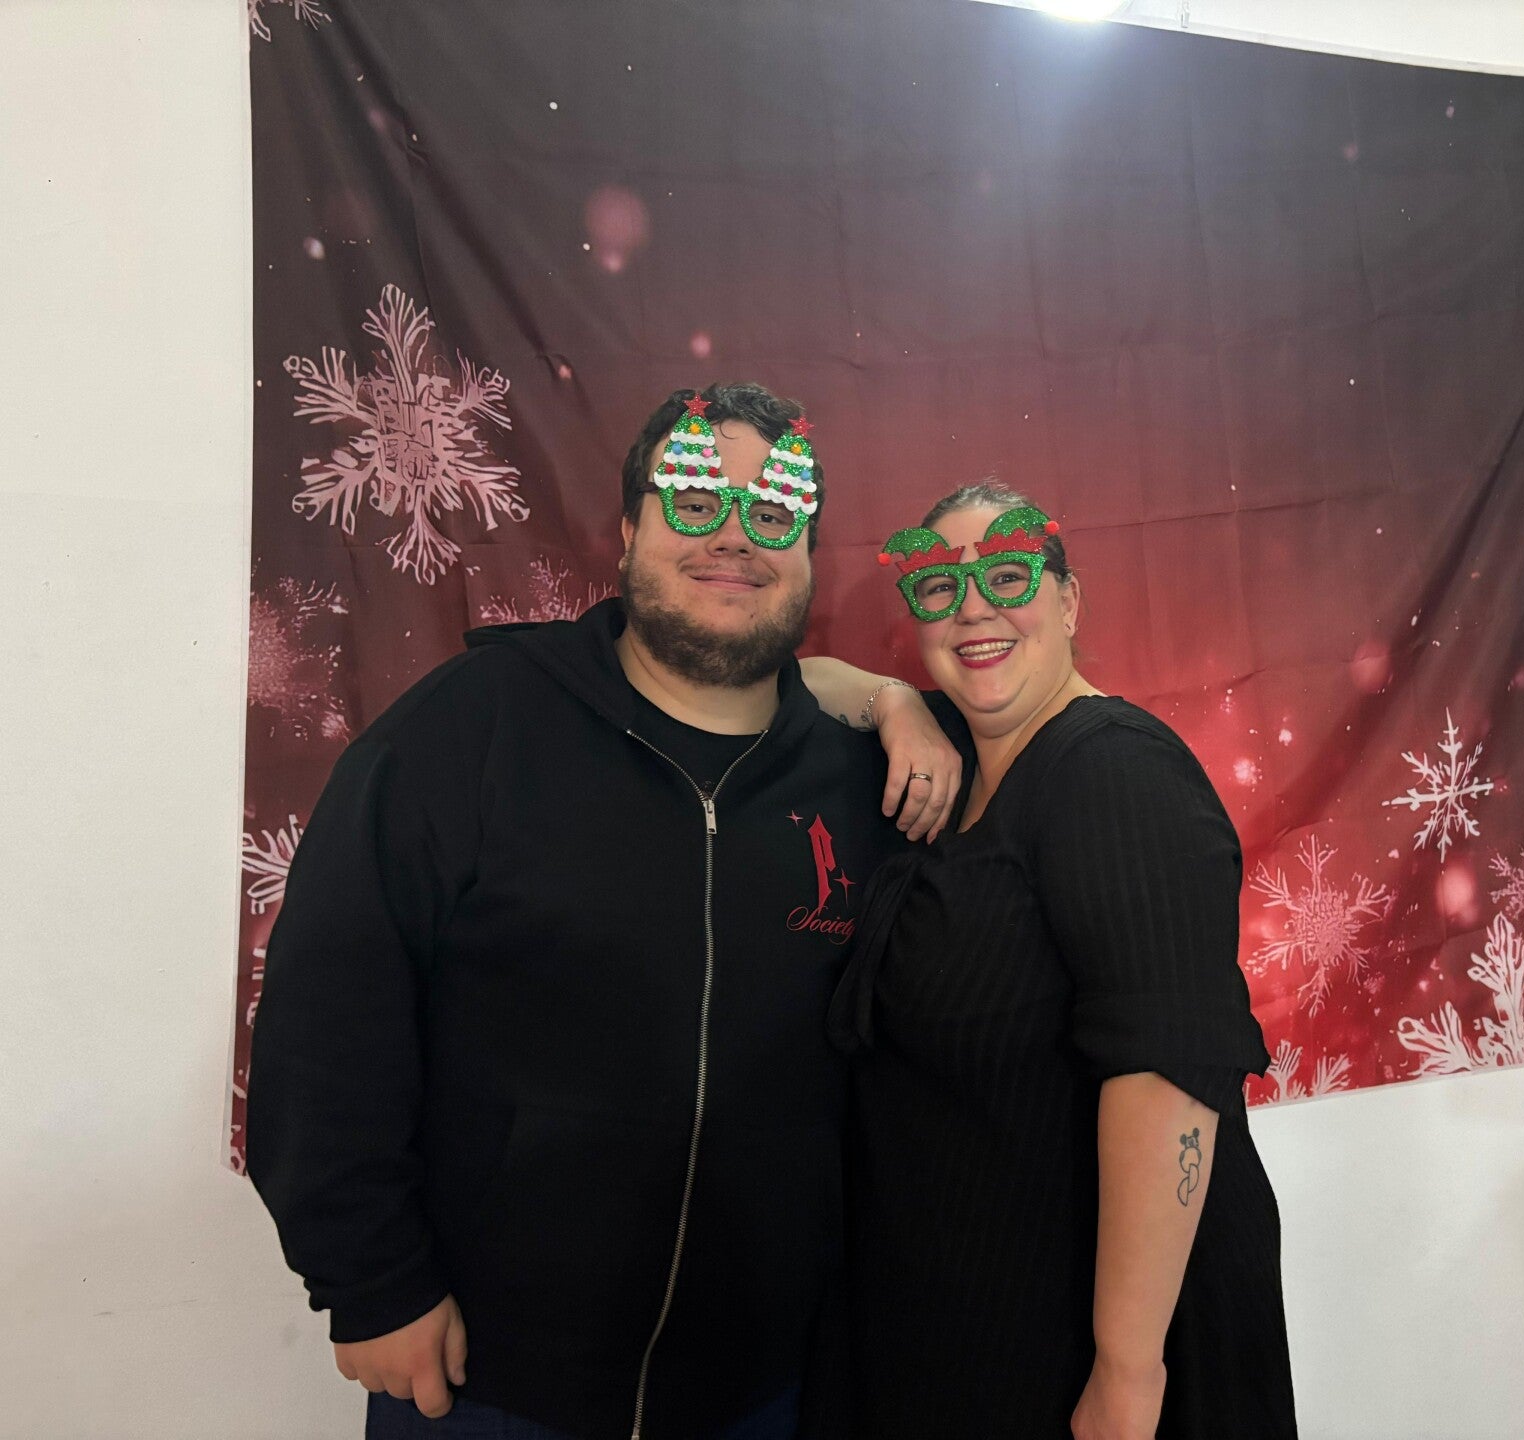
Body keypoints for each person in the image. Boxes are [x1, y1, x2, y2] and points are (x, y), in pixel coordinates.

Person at [247, 383, 961, 1440]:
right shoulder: (471, 728)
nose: (735, 537)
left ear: (810, 554)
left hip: (760, 1388)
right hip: (490, 1381)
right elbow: (327, 1014)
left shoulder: (866, 782)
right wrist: (371, 1280)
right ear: (629, 532)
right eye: (696, 502)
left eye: (773, 514)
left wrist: (896, 699)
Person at [828, 483, 1298, 1439]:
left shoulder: (1116, 771)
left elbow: (1168, 1072)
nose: (973, 609)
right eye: (940, 587)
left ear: (1069, 602)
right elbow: (797, 681)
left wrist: (1126, 1375)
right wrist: (894, 706)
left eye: (1007, 577)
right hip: (975, 1328)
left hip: (1094, 1357)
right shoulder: (959, 753)